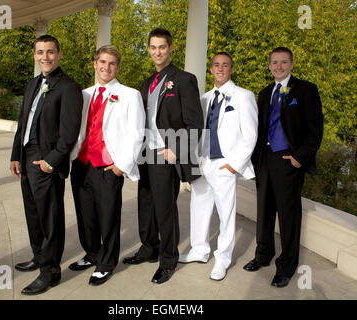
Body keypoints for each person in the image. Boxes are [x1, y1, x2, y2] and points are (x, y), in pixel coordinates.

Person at [122, 28, 204, 284]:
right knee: (145, 204)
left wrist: (176, 151)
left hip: (166, 154)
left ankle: (168, 259)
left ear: (170, 48)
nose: (157, 52)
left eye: (162, 47)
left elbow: (195, 123)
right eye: (153, 47)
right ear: (149, 49)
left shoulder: (184, 79)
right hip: (146, 152)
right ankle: (149, 248)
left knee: (165, 209)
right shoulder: (148, 82)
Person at [243, 47, 323, 288]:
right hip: (265, 159)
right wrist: (256, 160)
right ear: (269, 65)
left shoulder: (306, 90)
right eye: (274, 62)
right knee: (264, 212)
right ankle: (263, 255)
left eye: (283, 62)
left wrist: (300, 157)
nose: (279, 66)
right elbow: (259, 128)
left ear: (292, 64)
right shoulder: (265, 93)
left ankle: (286, 266)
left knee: (288, 216)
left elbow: (315, 129)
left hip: (288, 160)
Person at [10, 34, 83, 295]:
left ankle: (50, 272)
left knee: (50, 218)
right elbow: (23, 123)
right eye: (40, 52)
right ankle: (39, 256)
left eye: (50, 52)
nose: (45, 57)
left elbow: (70, 132)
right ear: (35, 55)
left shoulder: (69, 87)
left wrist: (51, 162)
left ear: (59, 54)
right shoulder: (32, 84)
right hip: (26, 156)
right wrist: (15, 155)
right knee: (33, 214)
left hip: (46, 161)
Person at [69, 45, 145, 286]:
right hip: (81, 164)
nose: (106, 67)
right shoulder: (83, 94)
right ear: (95, 63)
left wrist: (121, 166)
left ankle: (107, 263)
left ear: (117, 67)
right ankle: (92, 253)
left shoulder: (130, 95)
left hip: (108, 167)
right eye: (102, 62)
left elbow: (136, 133)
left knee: (108, 217)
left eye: (112, 63)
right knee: (85, 215)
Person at [179, 52, 258, 281]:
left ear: (231, 69)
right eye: (216, 65)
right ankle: (199, 250)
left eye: (225, 65)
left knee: (226, 214)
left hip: (225, 164)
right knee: (198, 207)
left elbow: (250, 135)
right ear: (211, 69)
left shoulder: (244, 96)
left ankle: (222, 259)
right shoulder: (203, 99)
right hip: (203, 163)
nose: (220, 68)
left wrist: (234, 165)